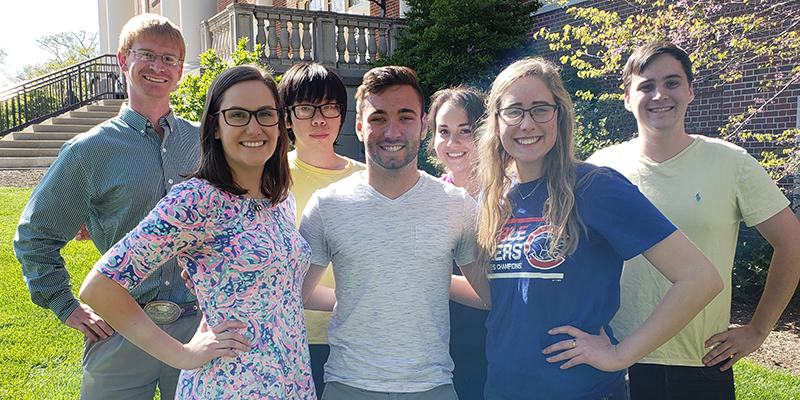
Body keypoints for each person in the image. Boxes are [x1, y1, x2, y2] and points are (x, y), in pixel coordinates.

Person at [470, 56, 724, 400]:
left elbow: (700, 279)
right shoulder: (497, 199)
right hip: (502, 389)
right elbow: (503, 301)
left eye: (541, 109)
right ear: (497, 123)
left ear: (560, 116)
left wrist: (622, 354)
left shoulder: (595, 187)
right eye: (514, 111)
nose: (527, 123)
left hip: (581, 391)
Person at [79, 65, 316, 399]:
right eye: (237, 115)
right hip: (230, 385)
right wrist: (183, 354)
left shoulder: (279, 199)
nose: (254, 127)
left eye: (265, 114)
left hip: (291, 381)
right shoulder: (197, 200)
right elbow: (99, 287)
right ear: (215, 127)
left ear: (279, 123)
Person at [586, 40, 800, 400]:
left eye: (671, 83)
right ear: (627, 97)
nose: (659, 95)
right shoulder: (599, 169)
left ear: (690, 91)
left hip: (701, 360)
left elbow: (791, 242)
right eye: (646, 85)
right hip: (614, 356)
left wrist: (758, 330)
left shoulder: (732, 163)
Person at [14, 14, 201, 399]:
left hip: (195, 327)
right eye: (146, 54)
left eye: (169, 59)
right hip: (121, 328)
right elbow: (35, 235)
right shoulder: (89, 151)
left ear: (180, 70)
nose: (157, 66)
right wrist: (66, 306)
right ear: (122, 60)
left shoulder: (205, 144)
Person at [300, 65, 479, 399]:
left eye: (406, 117)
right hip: (348, 385)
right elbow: (291, 292)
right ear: (359, 126)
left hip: (432, 386)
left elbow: (491, 293)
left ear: (424, 125)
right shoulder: (327, 205)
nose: (392, 131)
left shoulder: (457, 204)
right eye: (378, 118)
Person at [277, 62, 366, 396]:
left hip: (356, 338)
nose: (319, 119)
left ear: (342, 115)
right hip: (290, 339)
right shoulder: (268, 180)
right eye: (305, 108)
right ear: (286, 118)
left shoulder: (368, 178)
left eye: (329, 107)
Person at [426, 85, 489, 399]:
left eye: (465, 131)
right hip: (442, 351)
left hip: (495, 348)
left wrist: (427, 277)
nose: (453, 143)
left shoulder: (510, 196)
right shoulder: (429, 198)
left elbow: (496, 292)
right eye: (443, 131)